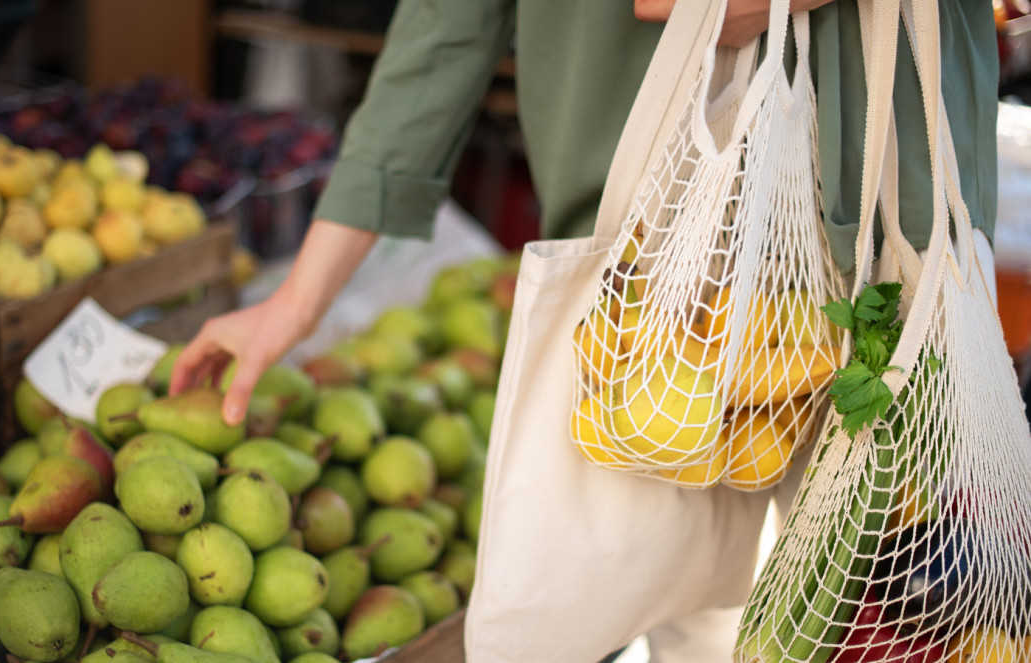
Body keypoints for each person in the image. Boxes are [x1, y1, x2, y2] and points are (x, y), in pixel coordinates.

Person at [170, 1, 998, 660]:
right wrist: (297, 300)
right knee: (681, 604)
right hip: (648, 275)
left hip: (899, 232)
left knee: (903, 602)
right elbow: (443, 30)